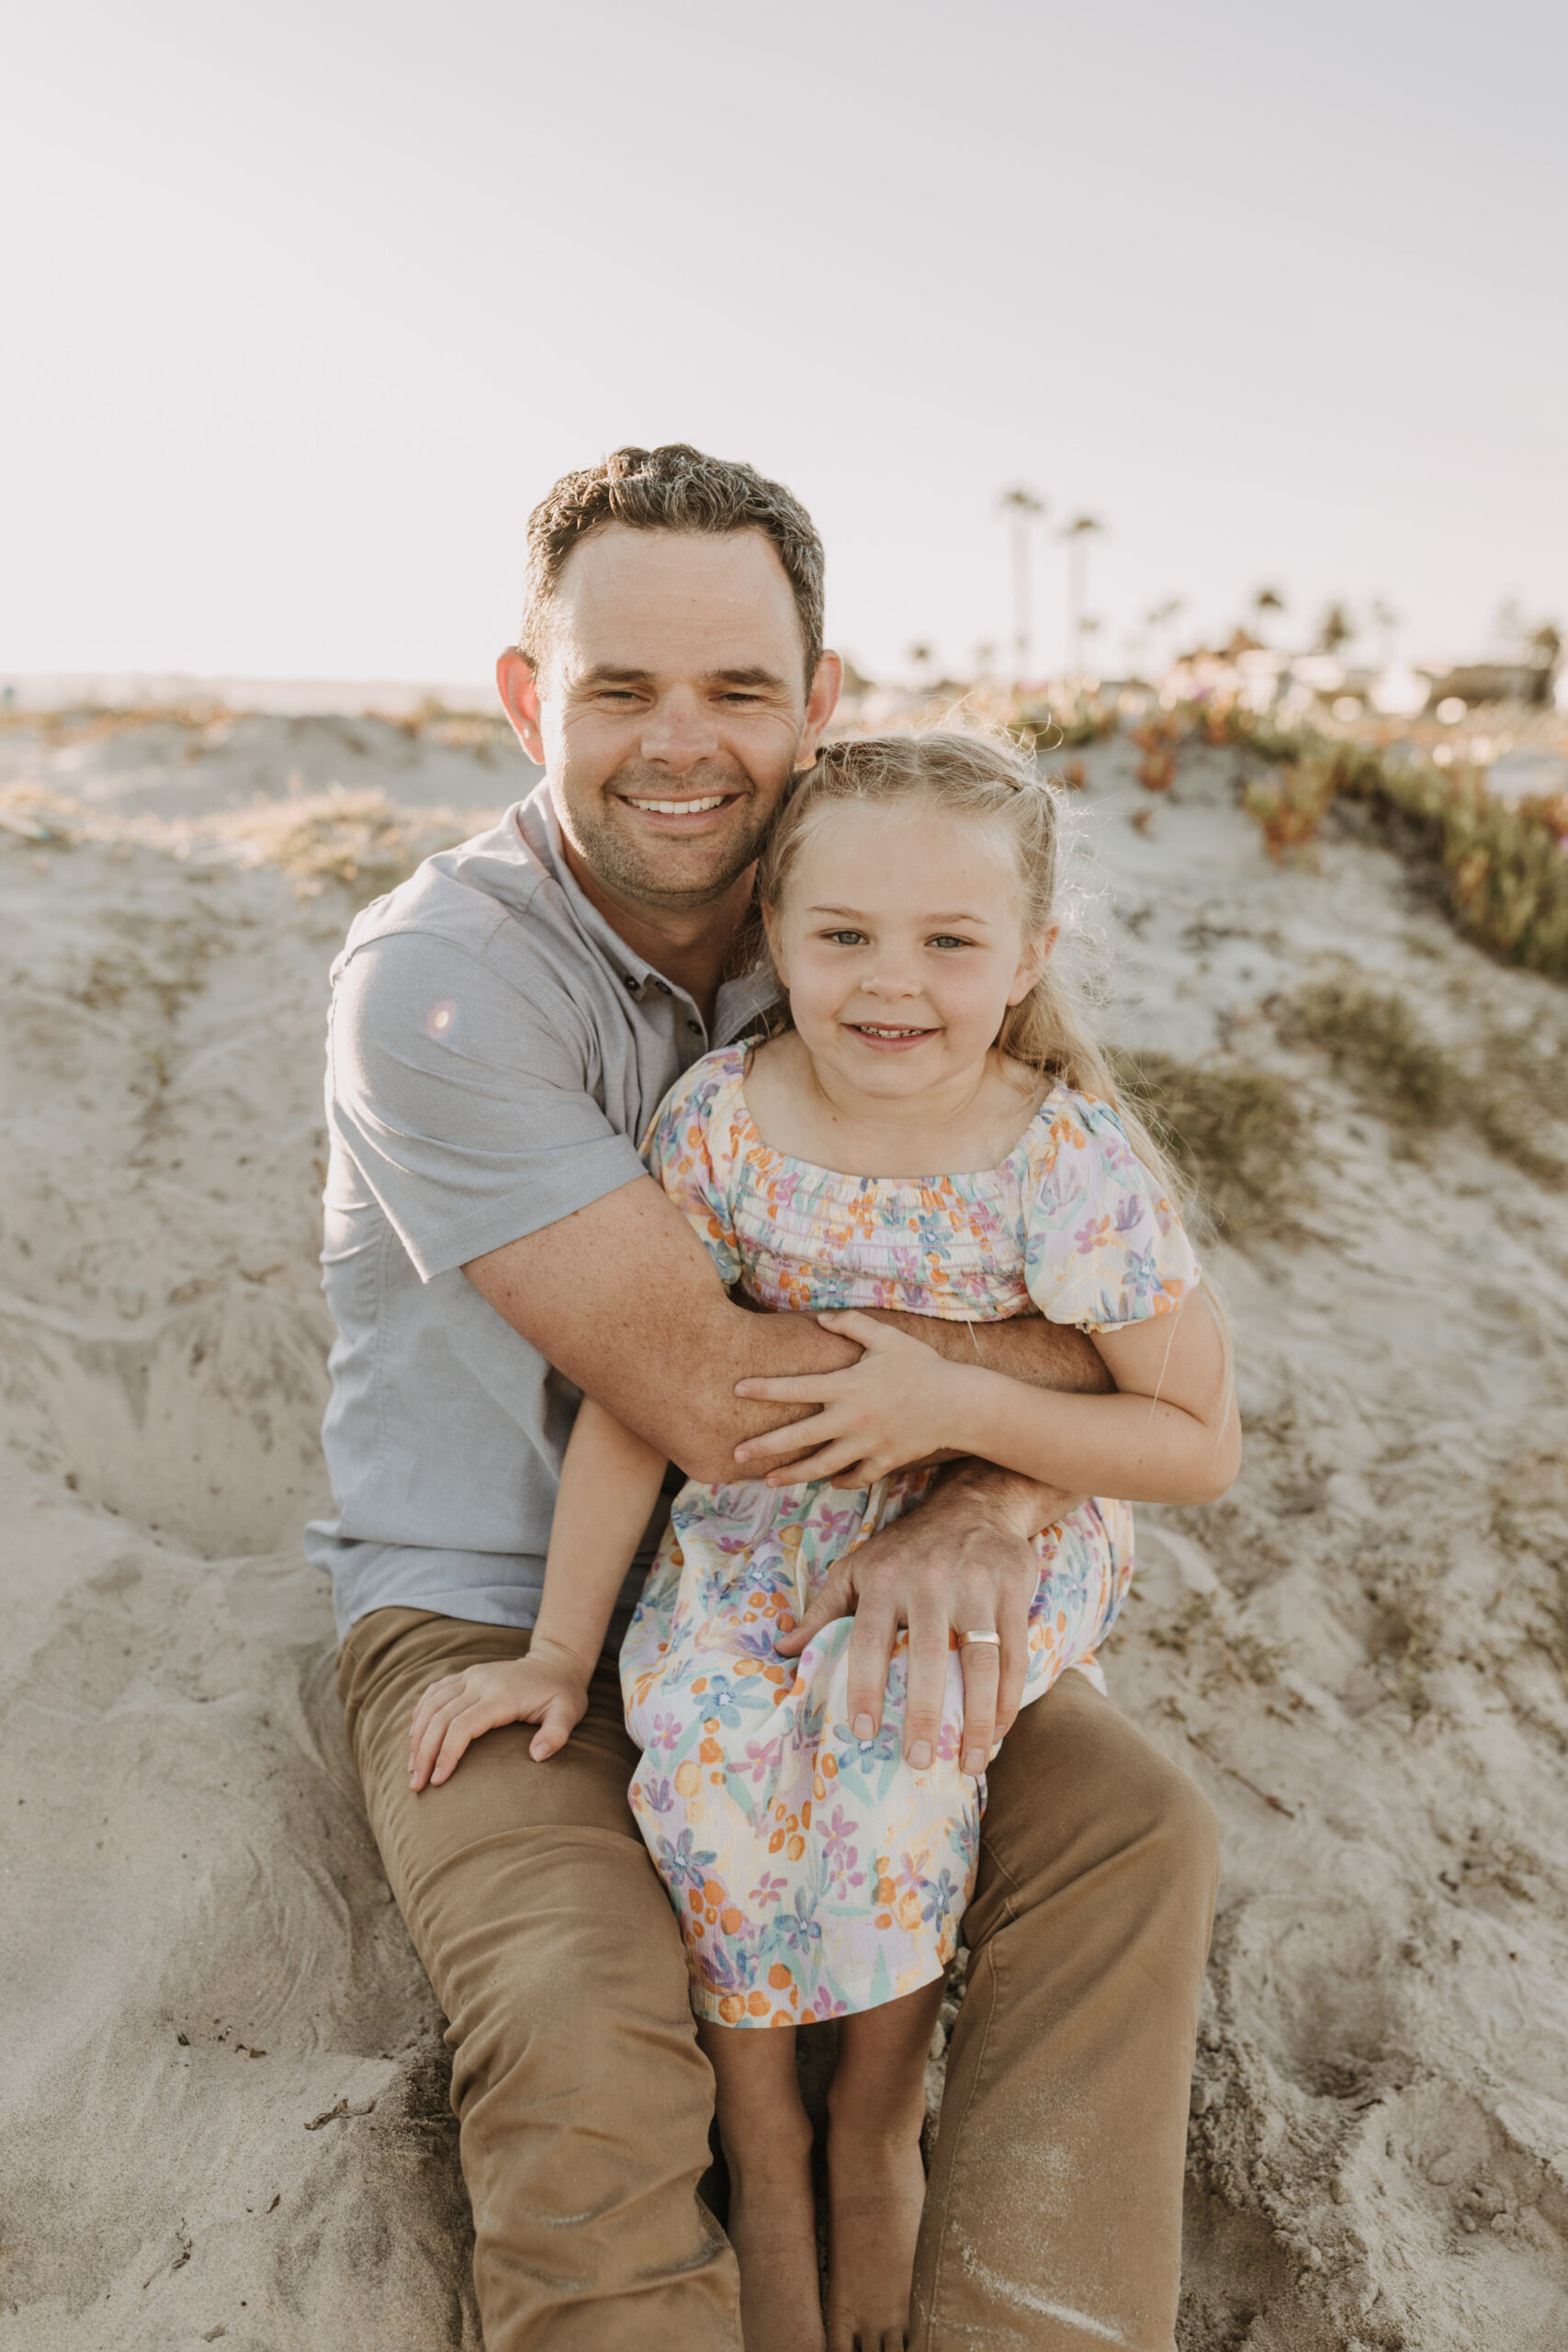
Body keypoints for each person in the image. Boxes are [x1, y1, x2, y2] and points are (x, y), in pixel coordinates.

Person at [314, 444, 1221, 2352]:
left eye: (736, 688)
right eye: (617, 686)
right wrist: (1014, 1418)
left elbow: (1139, 1308)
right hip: (512, 1607)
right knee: (587, 2016)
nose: (681, 741)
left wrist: (985, 1496)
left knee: (1133, 1831)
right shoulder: (440, 988)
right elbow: (721, 1398)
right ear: (521, 697)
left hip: (836, 1554)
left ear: (819, 702)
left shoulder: (876, 920)